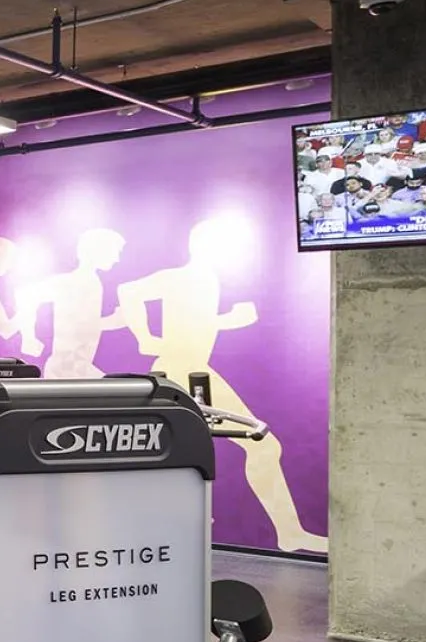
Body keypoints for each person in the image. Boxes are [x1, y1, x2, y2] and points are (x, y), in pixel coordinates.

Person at [117, 219, 326, 553]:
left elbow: (192, 324)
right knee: (259, 446)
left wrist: (228, 320)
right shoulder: (182, 277)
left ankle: (287, 533)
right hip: (179, 371)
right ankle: (286, 533)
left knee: (256, 447)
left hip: (195, 369)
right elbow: (128, 292)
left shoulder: (206, 280)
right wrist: (145, 338)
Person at [16, 229, 130, 379]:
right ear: (97, 250)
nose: (117, 259)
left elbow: (80, 324)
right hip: (66, 369)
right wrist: (114, 321)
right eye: (114, 251)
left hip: (77, 368)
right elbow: (26, 295)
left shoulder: (91, 281)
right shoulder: (74, 282)